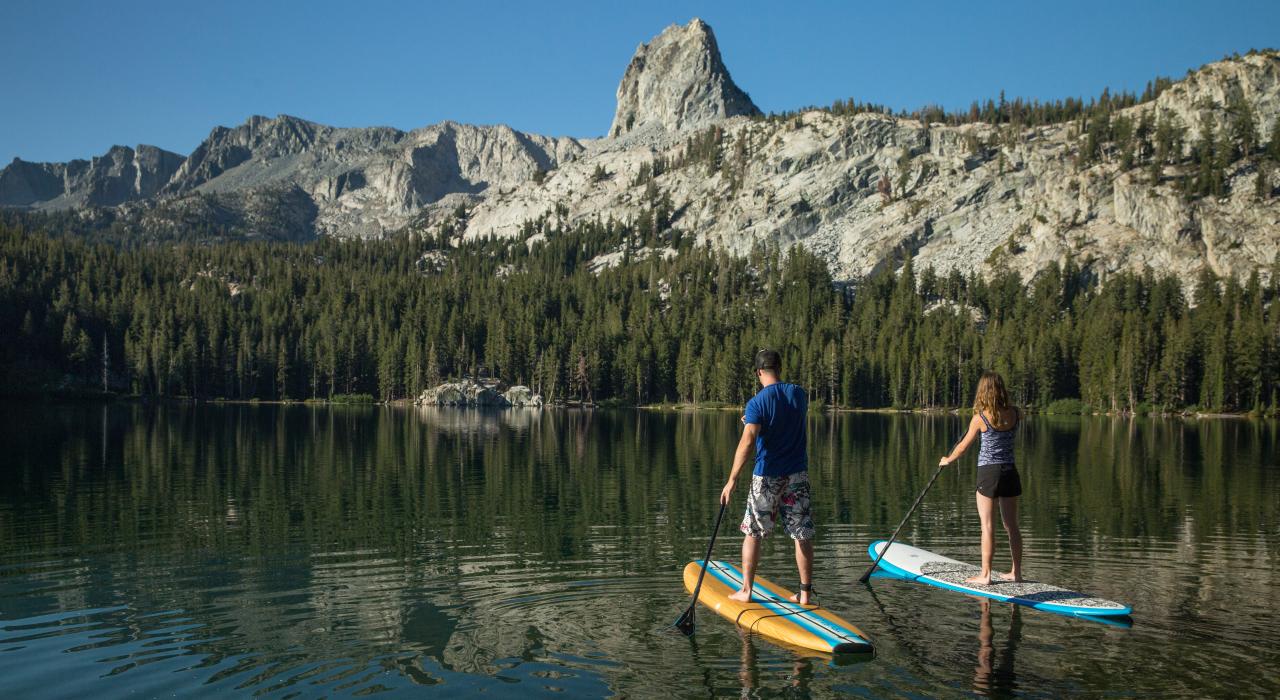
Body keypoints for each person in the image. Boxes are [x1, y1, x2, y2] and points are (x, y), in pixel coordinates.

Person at [720, 349, 814, 605]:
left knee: (753, 532)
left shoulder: (757, 403)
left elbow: (749, 440)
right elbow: (783, 420)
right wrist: (753, 421)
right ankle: (805, 594)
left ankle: (746, 591)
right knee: (801, 533)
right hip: (797, 475)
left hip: (768, 476)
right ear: (779, 368)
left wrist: (732, 479)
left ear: (759, 372)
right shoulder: (799, 394)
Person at [939, 371, 1024, 585]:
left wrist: (947, 460)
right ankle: (1016, 573)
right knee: (1012, 525)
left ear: (983, 392)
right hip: (1009, 472)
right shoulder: (1016, 413)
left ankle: (985, 575)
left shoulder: (980, 418)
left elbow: (963, 447)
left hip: (989, 473)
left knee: (987, 525)